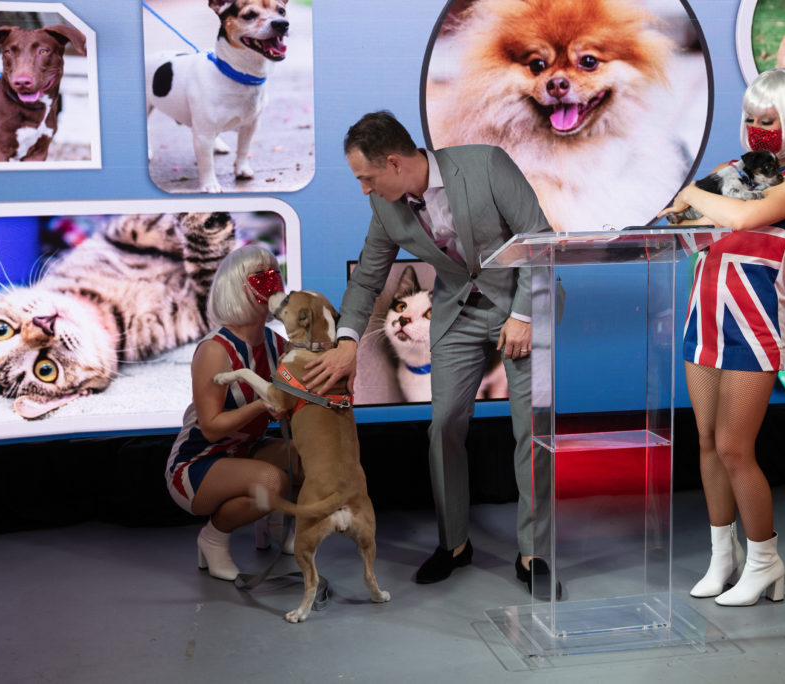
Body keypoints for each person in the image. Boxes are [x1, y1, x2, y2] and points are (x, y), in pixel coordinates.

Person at [304, 110, 556, 595]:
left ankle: (533, 552)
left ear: (395, 163)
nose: (364, 190)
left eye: (367, 178)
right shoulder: (386, 207)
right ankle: (455, 545)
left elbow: (538, 239)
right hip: (456, 313)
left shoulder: (485, 165)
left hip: (521, 306)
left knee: (532, 431)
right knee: (443, 426)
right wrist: (348, 340)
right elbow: (368, 278)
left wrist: (524, 315)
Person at [660, 68, 785, 606]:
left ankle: (764, 561)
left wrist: (690, 192)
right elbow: (684, 232)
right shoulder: (727, 170)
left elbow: (747, 215)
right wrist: (674, 215)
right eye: (751, 118)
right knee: (706, 443)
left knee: (735, 448)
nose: (757, 129)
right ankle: (722, 558)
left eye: (769, 119)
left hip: (752, 321)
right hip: (702, 315)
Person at [165, 244, 299, 581]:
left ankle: (276, 526)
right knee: (271, 481)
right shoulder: (215, 350)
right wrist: (261, 403)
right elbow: (210, 429)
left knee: (306, 456)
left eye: (275, 275)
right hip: (198, 462)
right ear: (236, 287)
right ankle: (213, 538)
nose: (272, 285)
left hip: (245, 450)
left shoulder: (275, 343)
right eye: (261, 278)